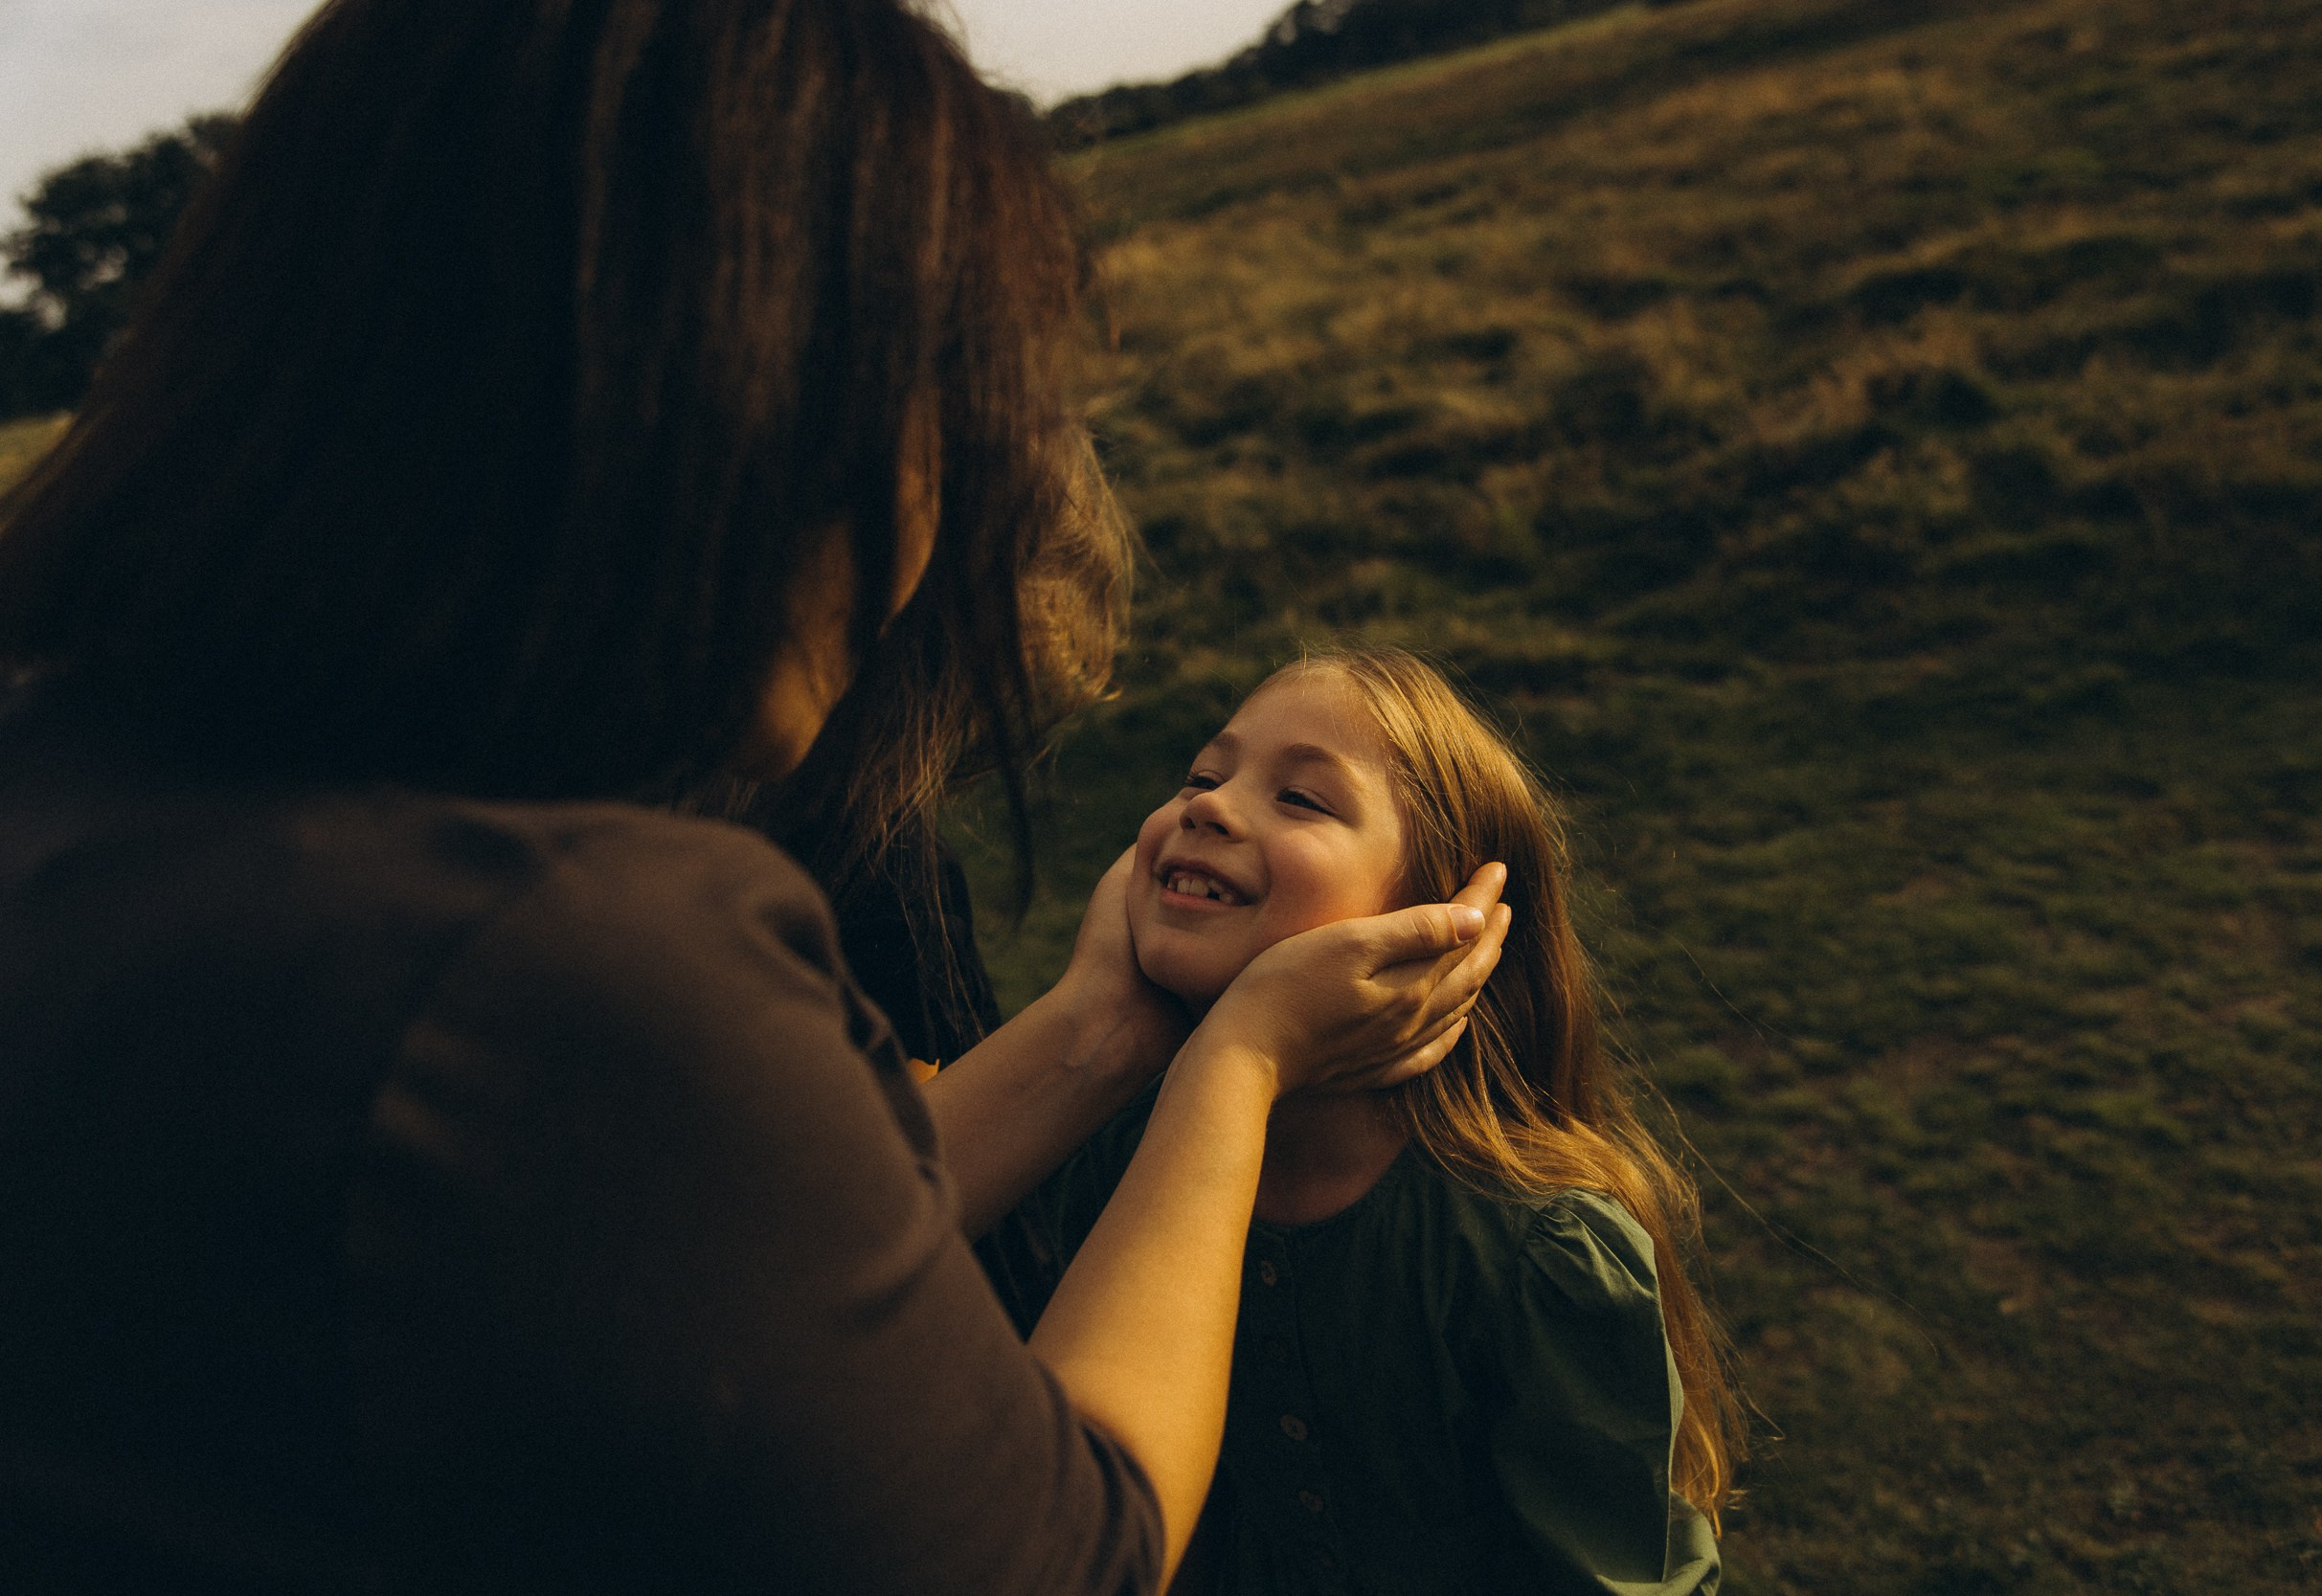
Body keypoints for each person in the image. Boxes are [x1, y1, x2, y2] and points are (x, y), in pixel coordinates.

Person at [0, 2, 1509, 1590]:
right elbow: (1072, 1557)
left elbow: (749, 1262)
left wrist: (1103, 1027)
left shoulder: (84, 787)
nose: (930, 538)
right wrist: (1241, 1064)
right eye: (935, 423)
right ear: (745, 406)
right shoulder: (555, 958)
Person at [1014, 648, 1742, 1596]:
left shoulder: (1534, 1252)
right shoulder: (1094, 1158)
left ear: (1437, 919)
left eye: (1300, 797)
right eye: (1200, 775)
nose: (1209, 806)